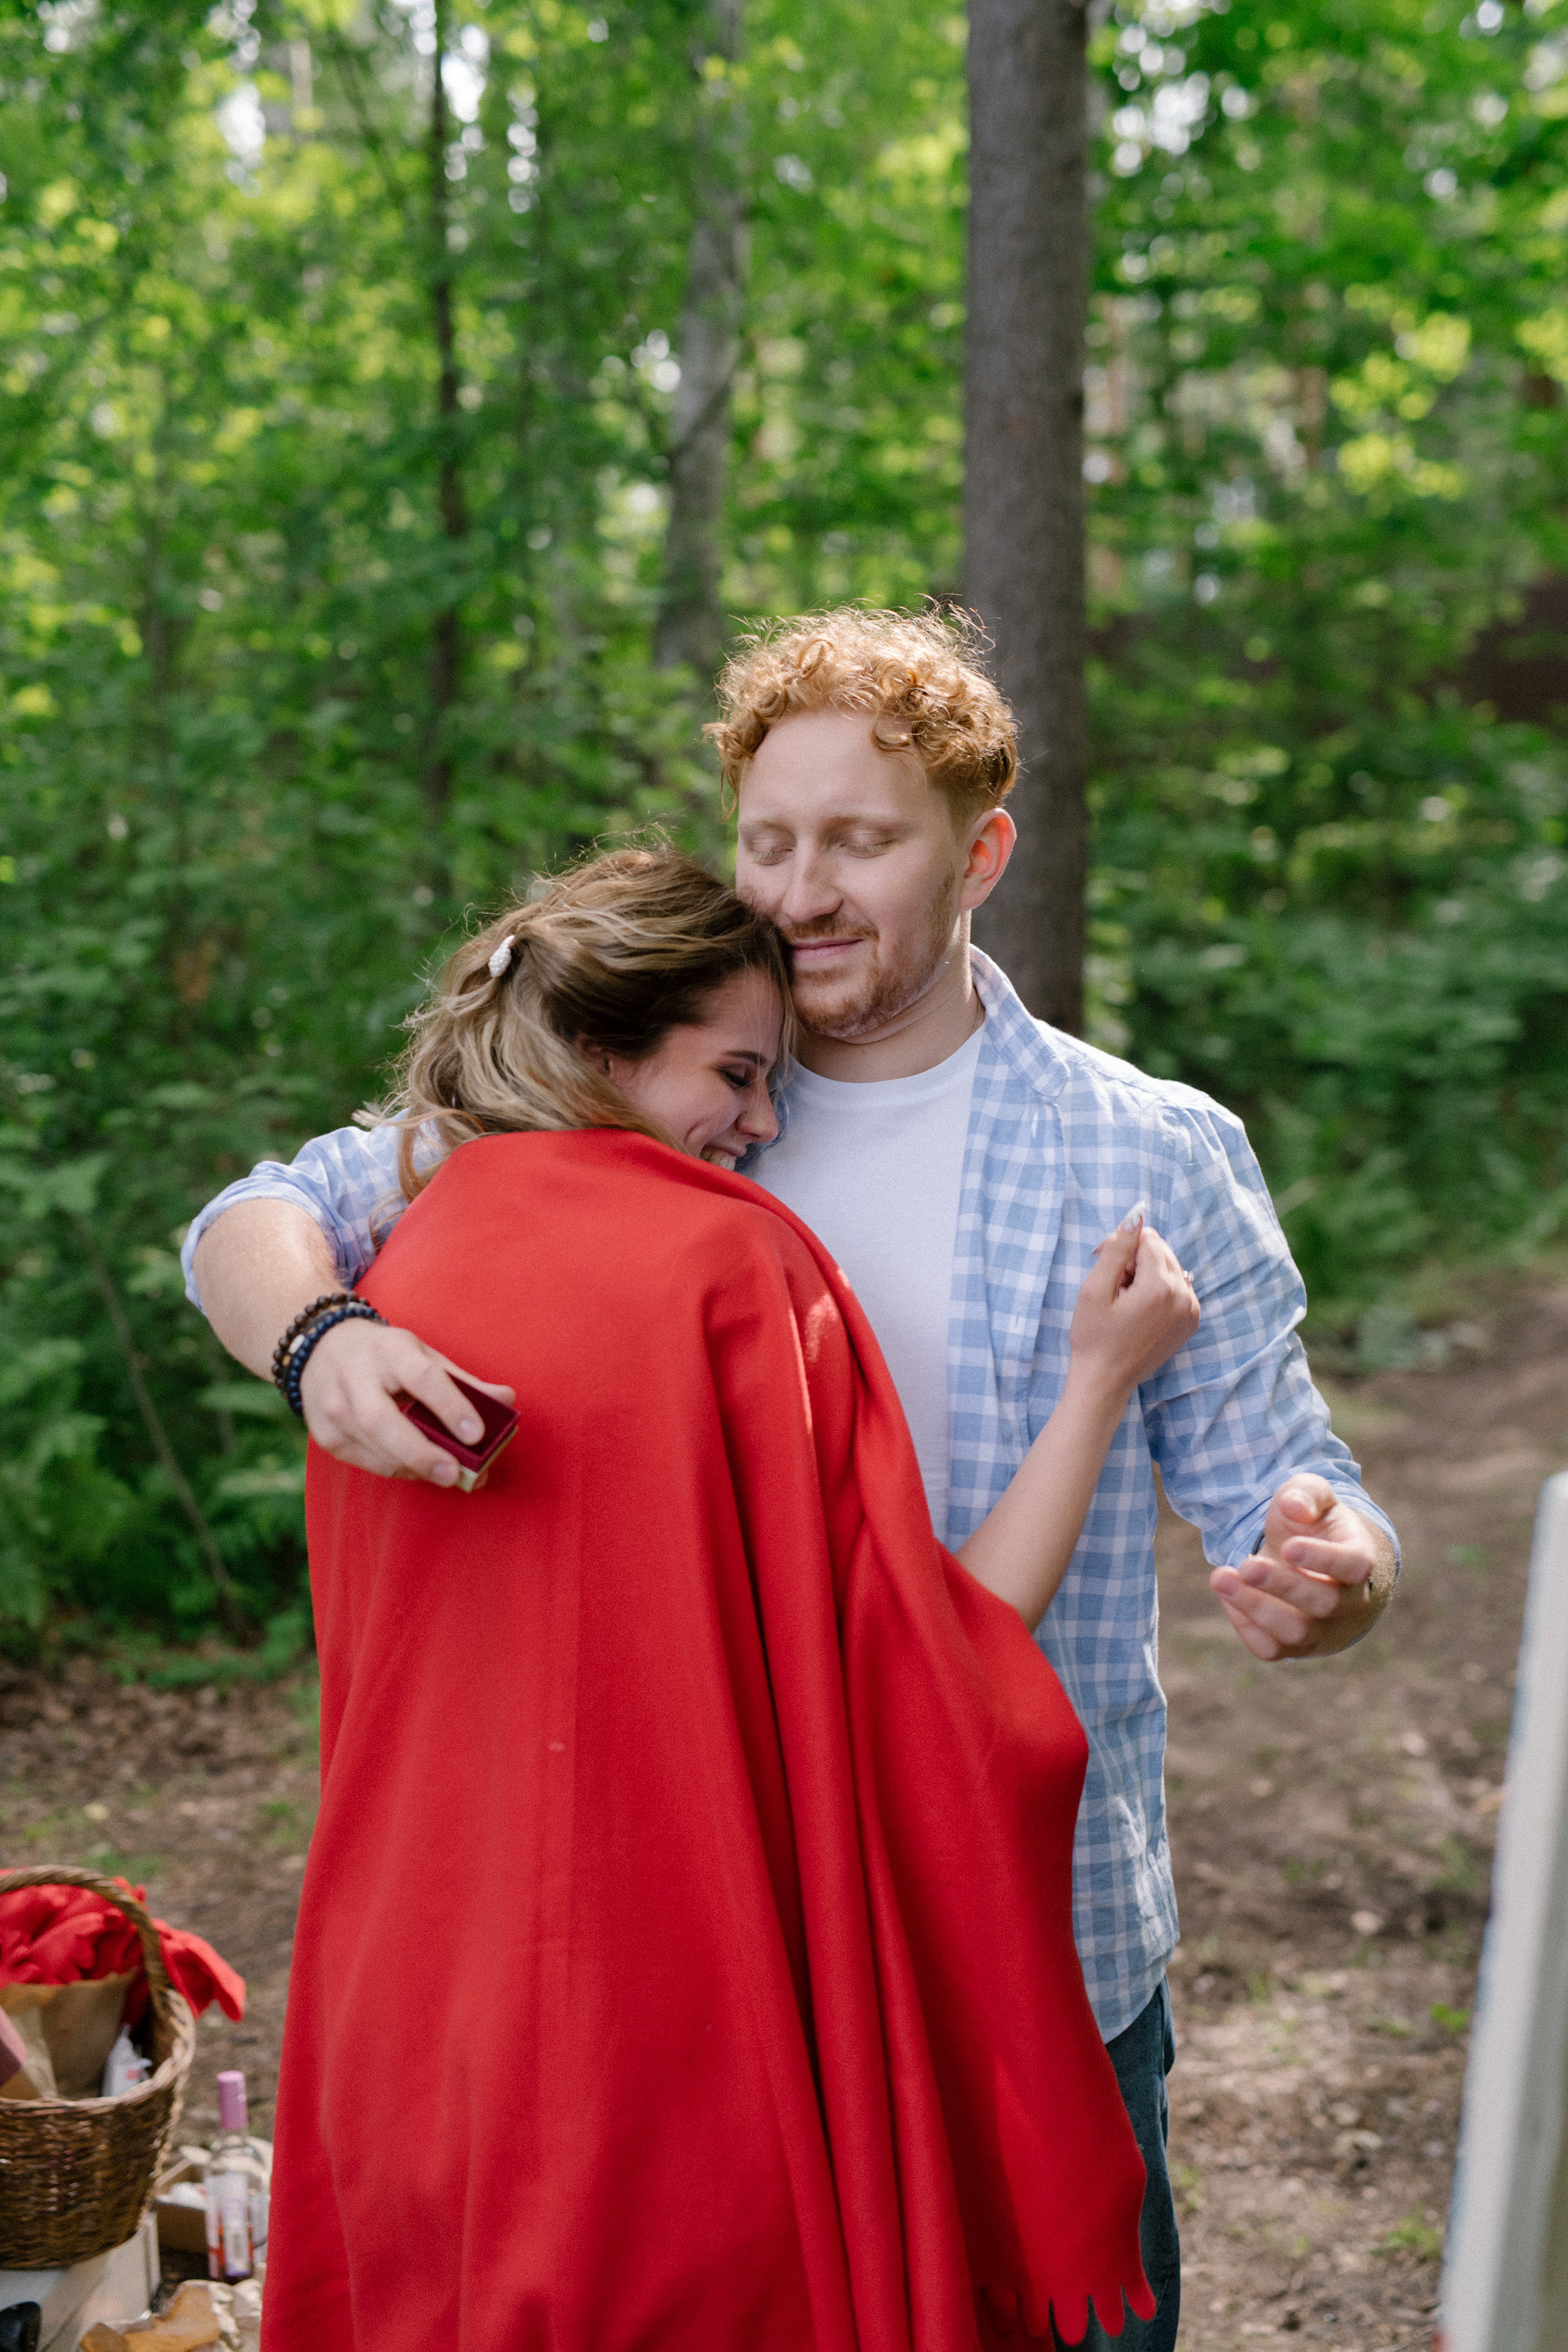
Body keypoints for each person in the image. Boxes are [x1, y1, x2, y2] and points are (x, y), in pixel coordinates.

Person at [188, 608, 1399, 2352]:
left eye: (859, 842)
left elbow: (1286, 1480)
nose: (801, 892)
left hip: (1031, 1938)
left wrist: (1332, 1565)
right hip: (722, 1978)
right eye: (769, 840)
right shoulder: (630, 1089)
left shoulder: (1145, 1145)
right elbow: (249, 1222)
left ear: (980, 853)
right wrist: (319, 1340)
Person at [261, 848, 1200, 2352]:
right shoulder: (727, 1262)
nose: (762, 1125)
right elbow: (930, 1665)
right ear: (601, 1049)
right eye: (740, 1076)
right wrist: (1098, 1387)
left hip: (410, 1991)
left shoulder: (382, 1279)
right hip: (666, 2011)